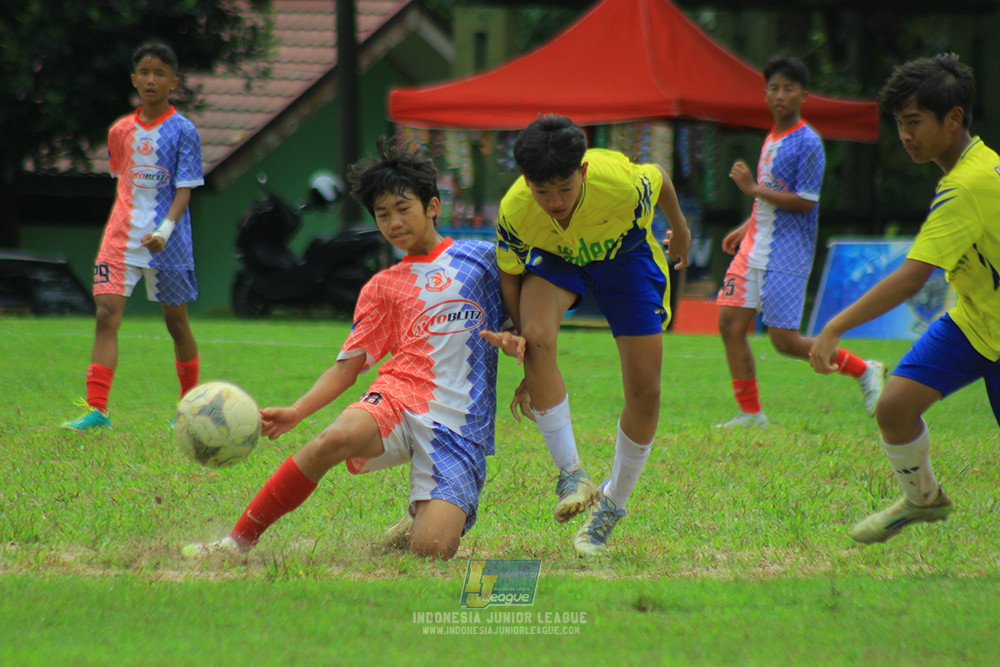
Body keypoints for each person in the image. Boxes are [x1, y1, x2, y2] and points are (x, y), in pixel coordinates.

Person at [184, 140, 523, 560]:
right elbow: (346, 369)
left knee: (430, 551)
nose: (394, 222)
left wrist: (518, 346)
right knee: (333, 439)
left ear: (432, 205)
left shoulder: (483, 261)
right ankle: (237, 543)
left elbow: (523, 325)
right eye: (383, 214)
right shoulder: (382, 287)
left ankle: (419, 521)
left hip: (461, 425)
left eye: (404, 209)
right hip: (399, 397)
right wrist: (296, 411)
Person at [810, 53, 997, 543]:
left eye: (914, 122)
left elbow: (911, 279)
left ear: (953, 118)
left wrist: (832, 327)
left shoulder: (968, 185)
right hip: (975, 323)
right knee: (894, 407)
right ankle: (923, 499)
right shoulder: (971, 170)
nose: (905, 135)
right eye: (899, 124)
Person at [496, 114, 690, 557]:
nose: (555, 201)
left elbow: (658, 178)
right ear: (526, 182)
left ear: (582, 172)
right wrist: (524, 346)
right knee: (539, 336)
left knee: (646, 392)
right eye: (542, 192)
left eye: (564, 189)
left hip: (625, 255)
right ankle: (571, 474)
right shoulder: (516, 211)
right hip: (560, 258)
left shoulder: (619, 183)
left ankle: (611, 506)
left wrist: (679, 228)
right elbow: (509, 273)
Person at [715, 55, 885, 428]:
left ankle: (864, 369)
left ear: (803, 95)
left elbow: (806, 202)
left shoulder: (808, 143)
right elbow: (772, 195)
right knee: (729, 323)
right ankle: (750, 413)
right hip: (755, 244)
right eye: (773, 88)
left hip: (787, 251)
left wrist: (750, 188)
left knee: (786, 343)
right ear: (765, 94)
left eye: (788, 89)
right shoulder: (771, 136)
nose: (780, 95)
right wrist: (748, 224)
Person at [62, 42, 204, 431]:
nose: (152, 80)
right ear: (134, 79)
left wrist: (164, 230)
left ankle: (188, 409)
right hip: (120, 239)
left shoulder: (184, 131)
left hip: (168, 240)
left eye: (160, 74)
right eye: (145, 72)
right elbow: (124, 186)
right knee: (106, 315)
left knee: (176, 324)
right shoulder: (119, 131)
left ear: (173, 81)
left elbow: (185, 190)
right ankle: (97, 411)